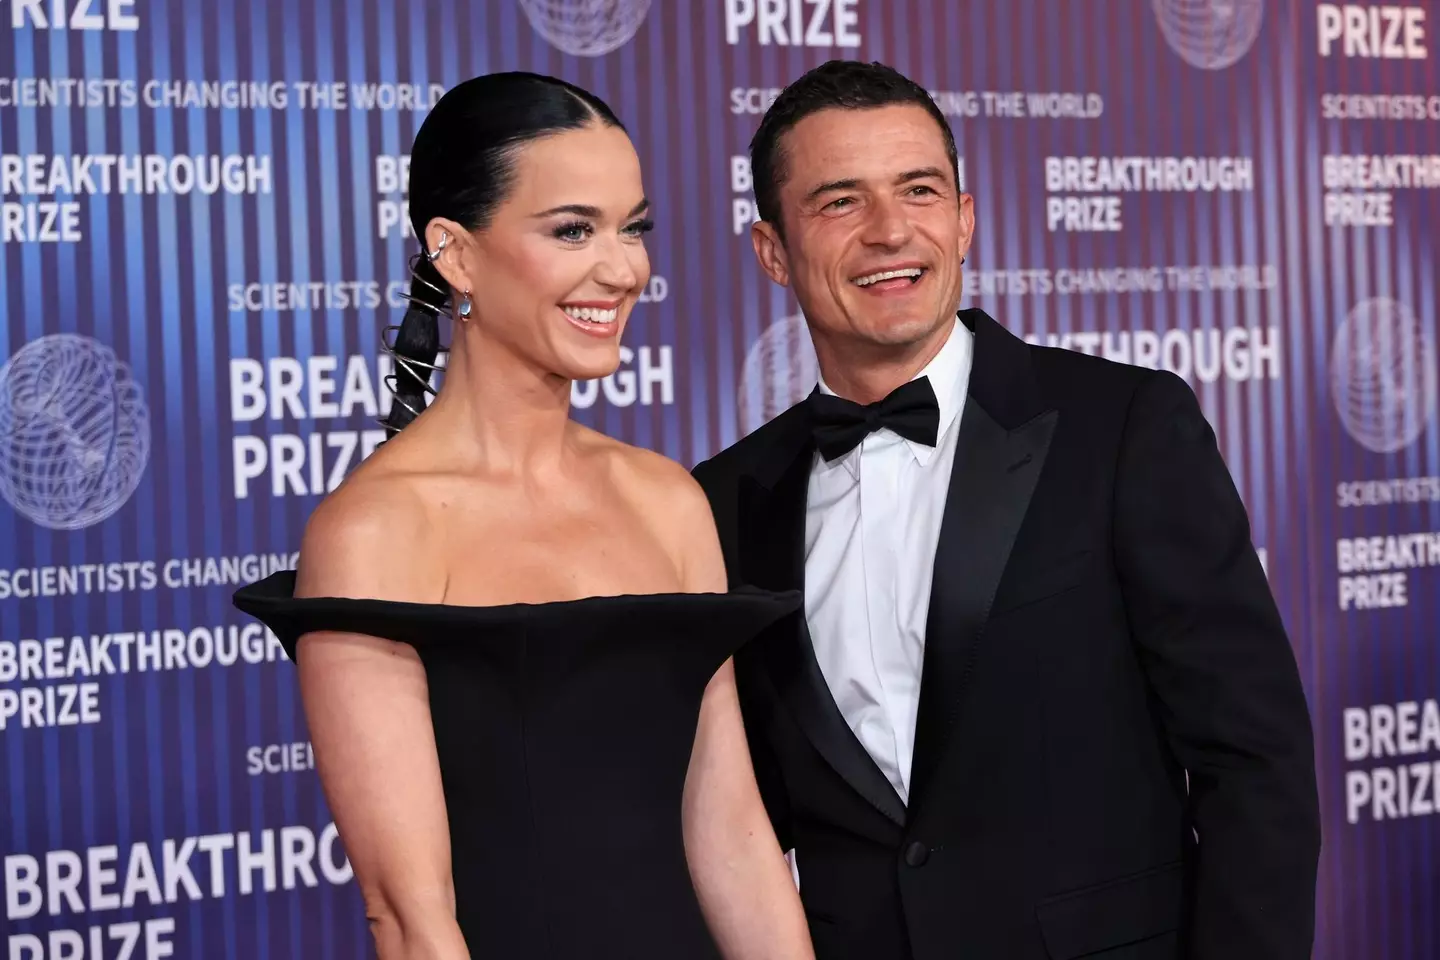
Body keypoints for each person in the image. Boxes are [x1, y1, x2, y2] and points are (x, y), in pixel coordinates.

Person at [693, 60, 1321, 960]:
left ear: (965, 219)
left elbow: (1251, 759)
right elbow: (736, 809)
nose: (890, 230)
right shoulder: (725, 498)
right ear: (773, 251)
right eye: (840, 202)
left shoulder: (1124, 428)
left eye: (919, 190)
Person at [233, 72, 814, 960]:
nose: (623, 268)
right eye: (573, 229)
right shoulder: (376, 532)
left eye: (634, 228)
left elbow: (733, 833)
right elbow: (410, 916)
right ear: (455, 255)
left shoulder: (668, 502)